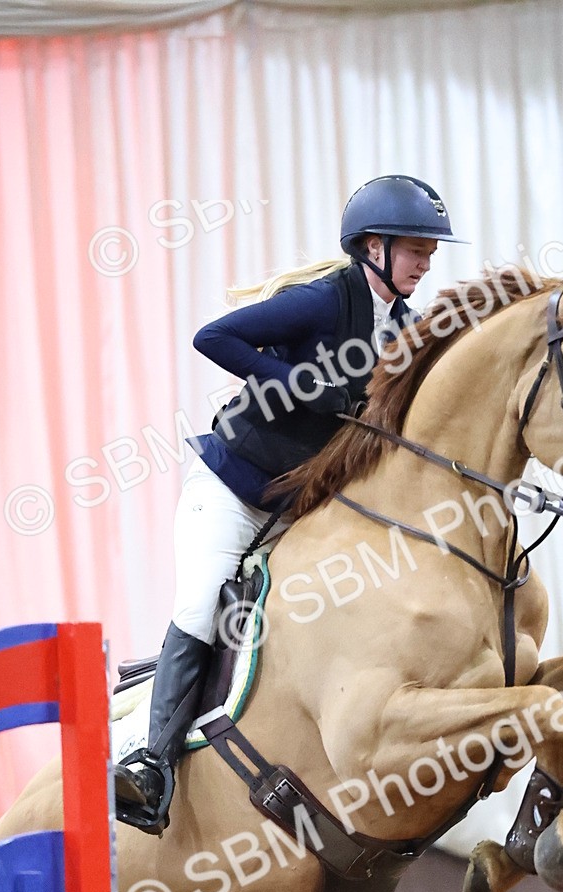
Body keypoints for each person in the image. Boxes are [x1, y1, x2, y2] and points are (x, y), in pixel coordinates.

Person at [114, 174, 464, 835]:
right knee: (203, 602)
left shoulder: (408, 332)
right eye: (416, 248)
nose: (426, 261)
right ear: (373, 248)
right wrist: (306, 385)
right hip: (232, 490)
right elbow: (215, 338)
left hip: (300, 509)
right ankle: (150, 766)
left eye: (430, 250)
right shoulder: (325, 302)